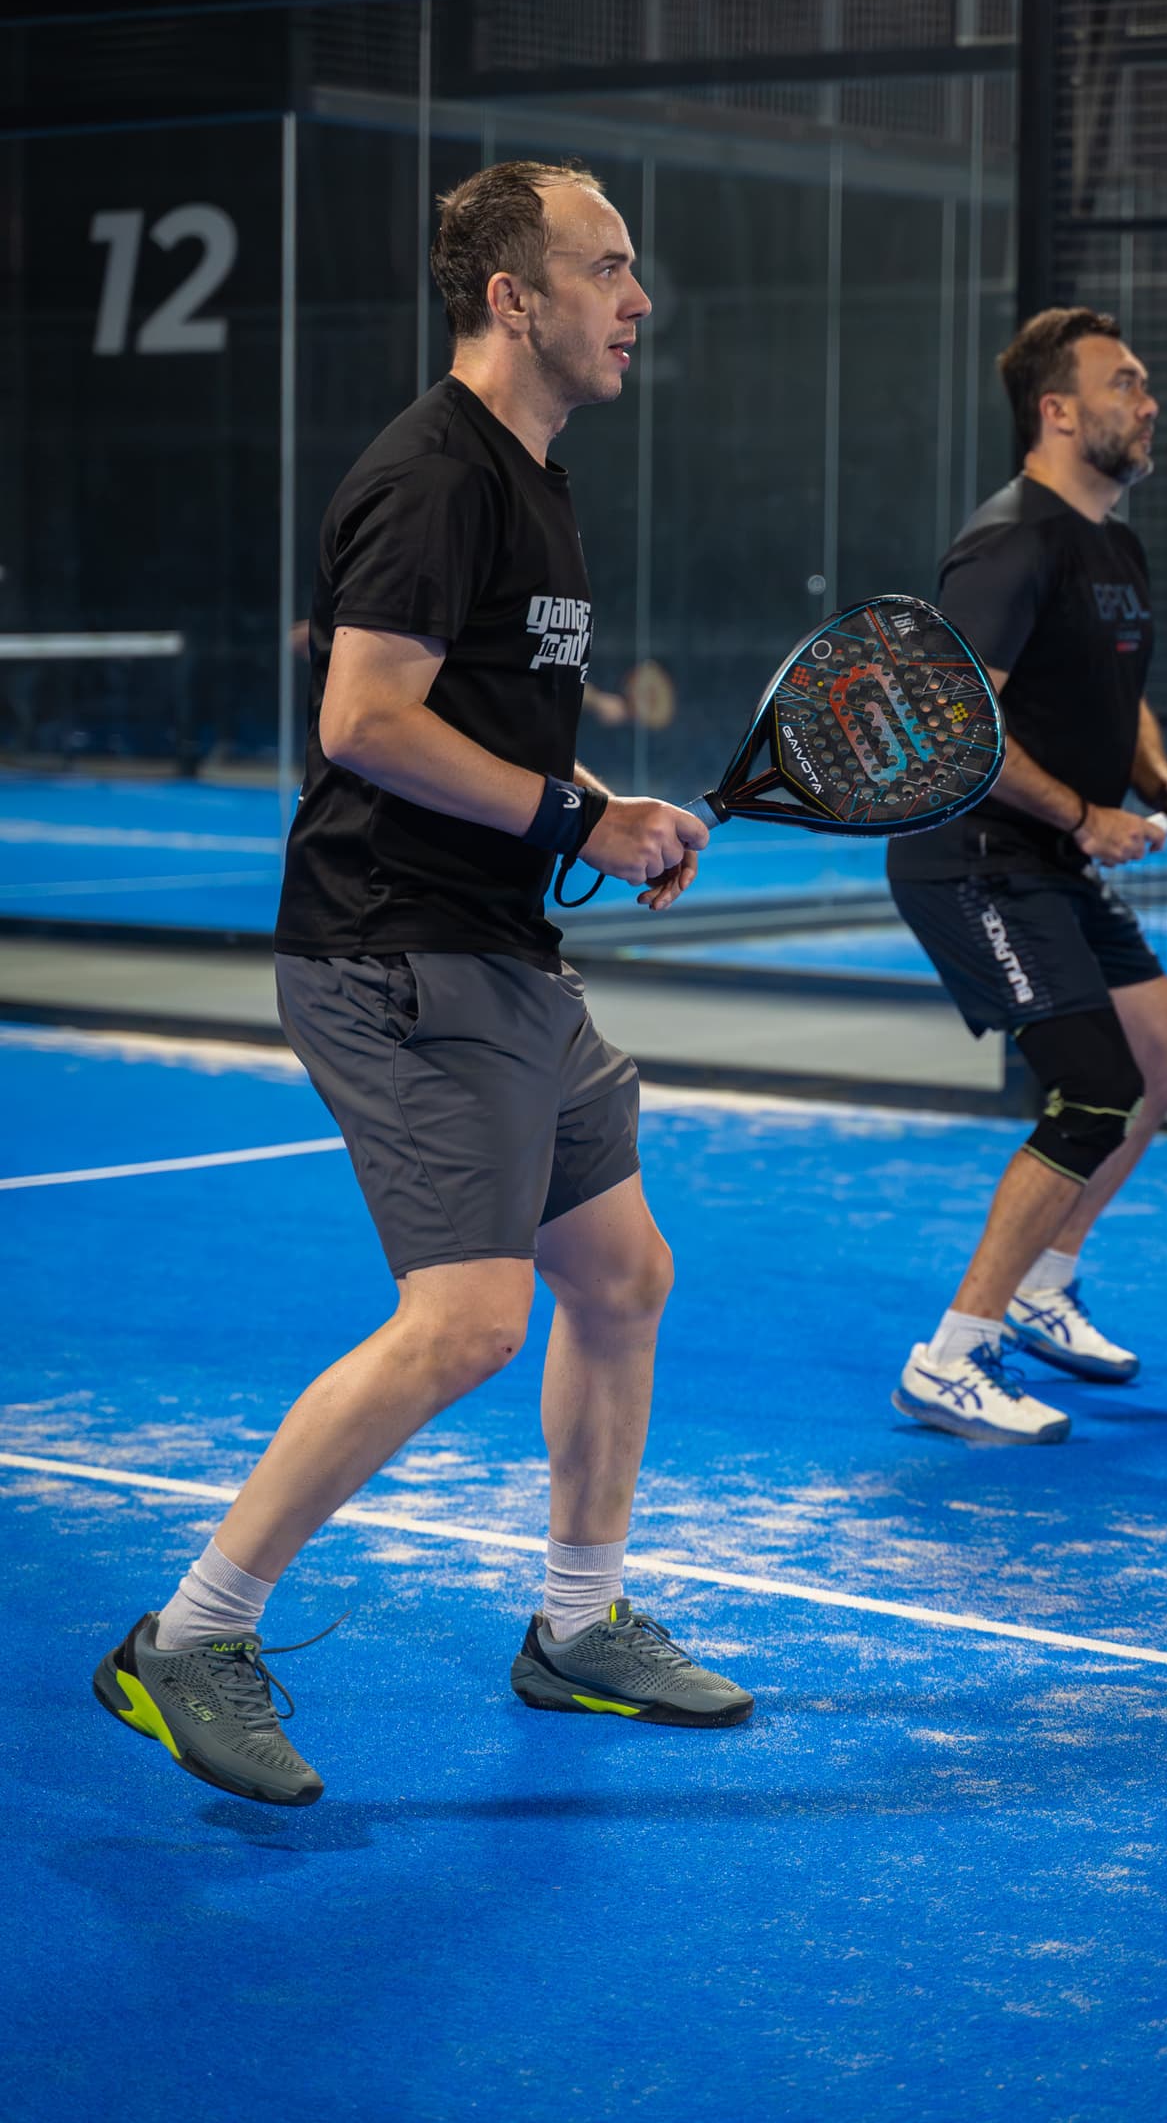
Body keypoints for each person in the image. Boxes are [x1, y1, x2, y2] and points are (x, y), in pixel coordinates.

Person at [92, 160, 752, 1807]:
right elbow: (366, 723)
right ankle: (190, 1634)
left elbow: (506, 727)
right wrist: (568, 816)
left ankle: (578, 1624)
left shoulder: (538, 481)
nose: (637, 299)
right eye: (607, 269)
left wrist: (604, 804)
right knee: (467, 1315)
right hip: (396, 949)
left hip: (503, 946)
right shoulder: (435, 474)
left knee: (621, 1273)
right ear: (512, 297)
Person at [885, 307, 1167, 1447]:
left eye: (1147, 381)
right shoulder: (1011, 539)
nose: (1148, 399)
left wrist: (1157, 776)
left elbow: (1114, 690)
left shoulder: (1112, 542)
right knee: (1090, 1087)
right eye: (1125, 382)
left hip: (1050, 855)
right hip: (971, 859)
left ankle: (1041, 1281)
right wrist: (1085, 814)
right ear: (1057, 410)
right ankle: (953, 1356)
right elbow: (947, 722)